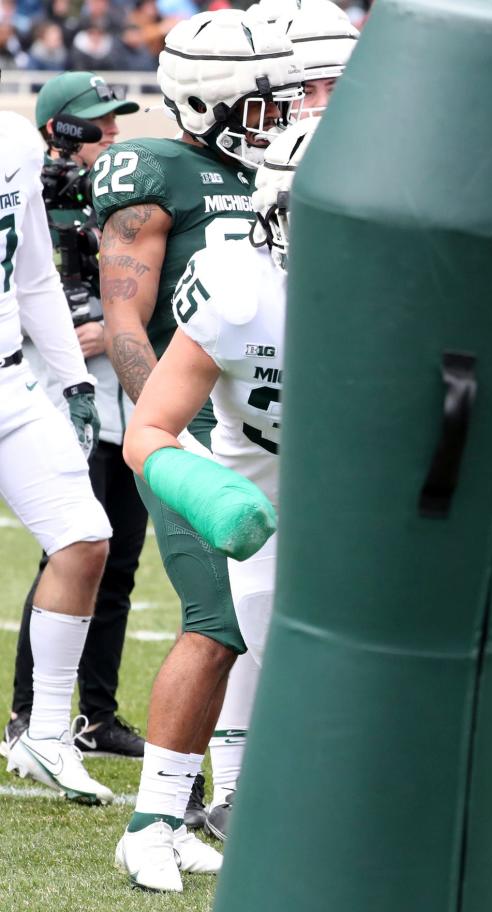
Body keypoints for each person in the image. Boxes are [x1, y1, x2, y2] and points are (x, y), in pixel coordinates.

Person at [96, 8, 302, 892]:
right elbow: (128, 326)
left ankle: (211, 810)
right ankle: (153, 820)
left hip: (310, 447)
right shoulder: (164, 180)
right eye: (261, 105)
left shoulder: (288, 180)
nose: (280, 117)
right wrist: (177, 450)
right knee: (217, 623)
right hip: (215, 442)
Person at [195, 0, 356, 844]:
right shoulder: (236, 282)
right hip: (259, 473)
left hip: (368, 478)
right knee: (253, 632)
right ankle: (231, 792)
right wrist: (199, 482)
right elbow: (153, 424)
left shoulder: (409, 277)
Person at [5, 72, 147, 763]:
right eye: (100, 122)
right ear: (61, 128)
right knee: (68, 547)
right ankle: (30, 713)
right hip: (53, 388)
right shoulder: (32, 190)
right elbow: (29, 290)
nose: (112, 132)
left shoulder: (119, 200)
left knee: (116, 556)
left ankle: (97, 713)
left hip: (125, 389)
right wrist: (79, 331)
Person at [0, 109, 112, 804]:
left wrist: (72, 380)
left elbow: (36, 278)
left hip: (10, 380)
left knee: (84, 538)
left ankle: (43, 735)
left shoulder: (12, 138)